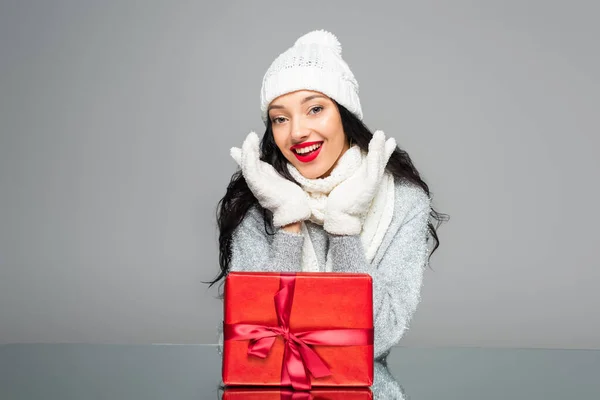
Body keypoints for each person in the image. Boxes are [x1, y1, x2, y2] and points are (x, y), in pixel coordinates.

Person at [210, 29, 448, 360]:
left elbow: (380, 338)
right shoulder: (258, 201)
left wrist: (345, 227)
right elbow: (251, 347)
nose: (296, 132)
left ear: (344, 115)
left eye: (315, 109)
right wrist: (289, 223)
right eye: (280, 118)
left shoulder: (403, 202)